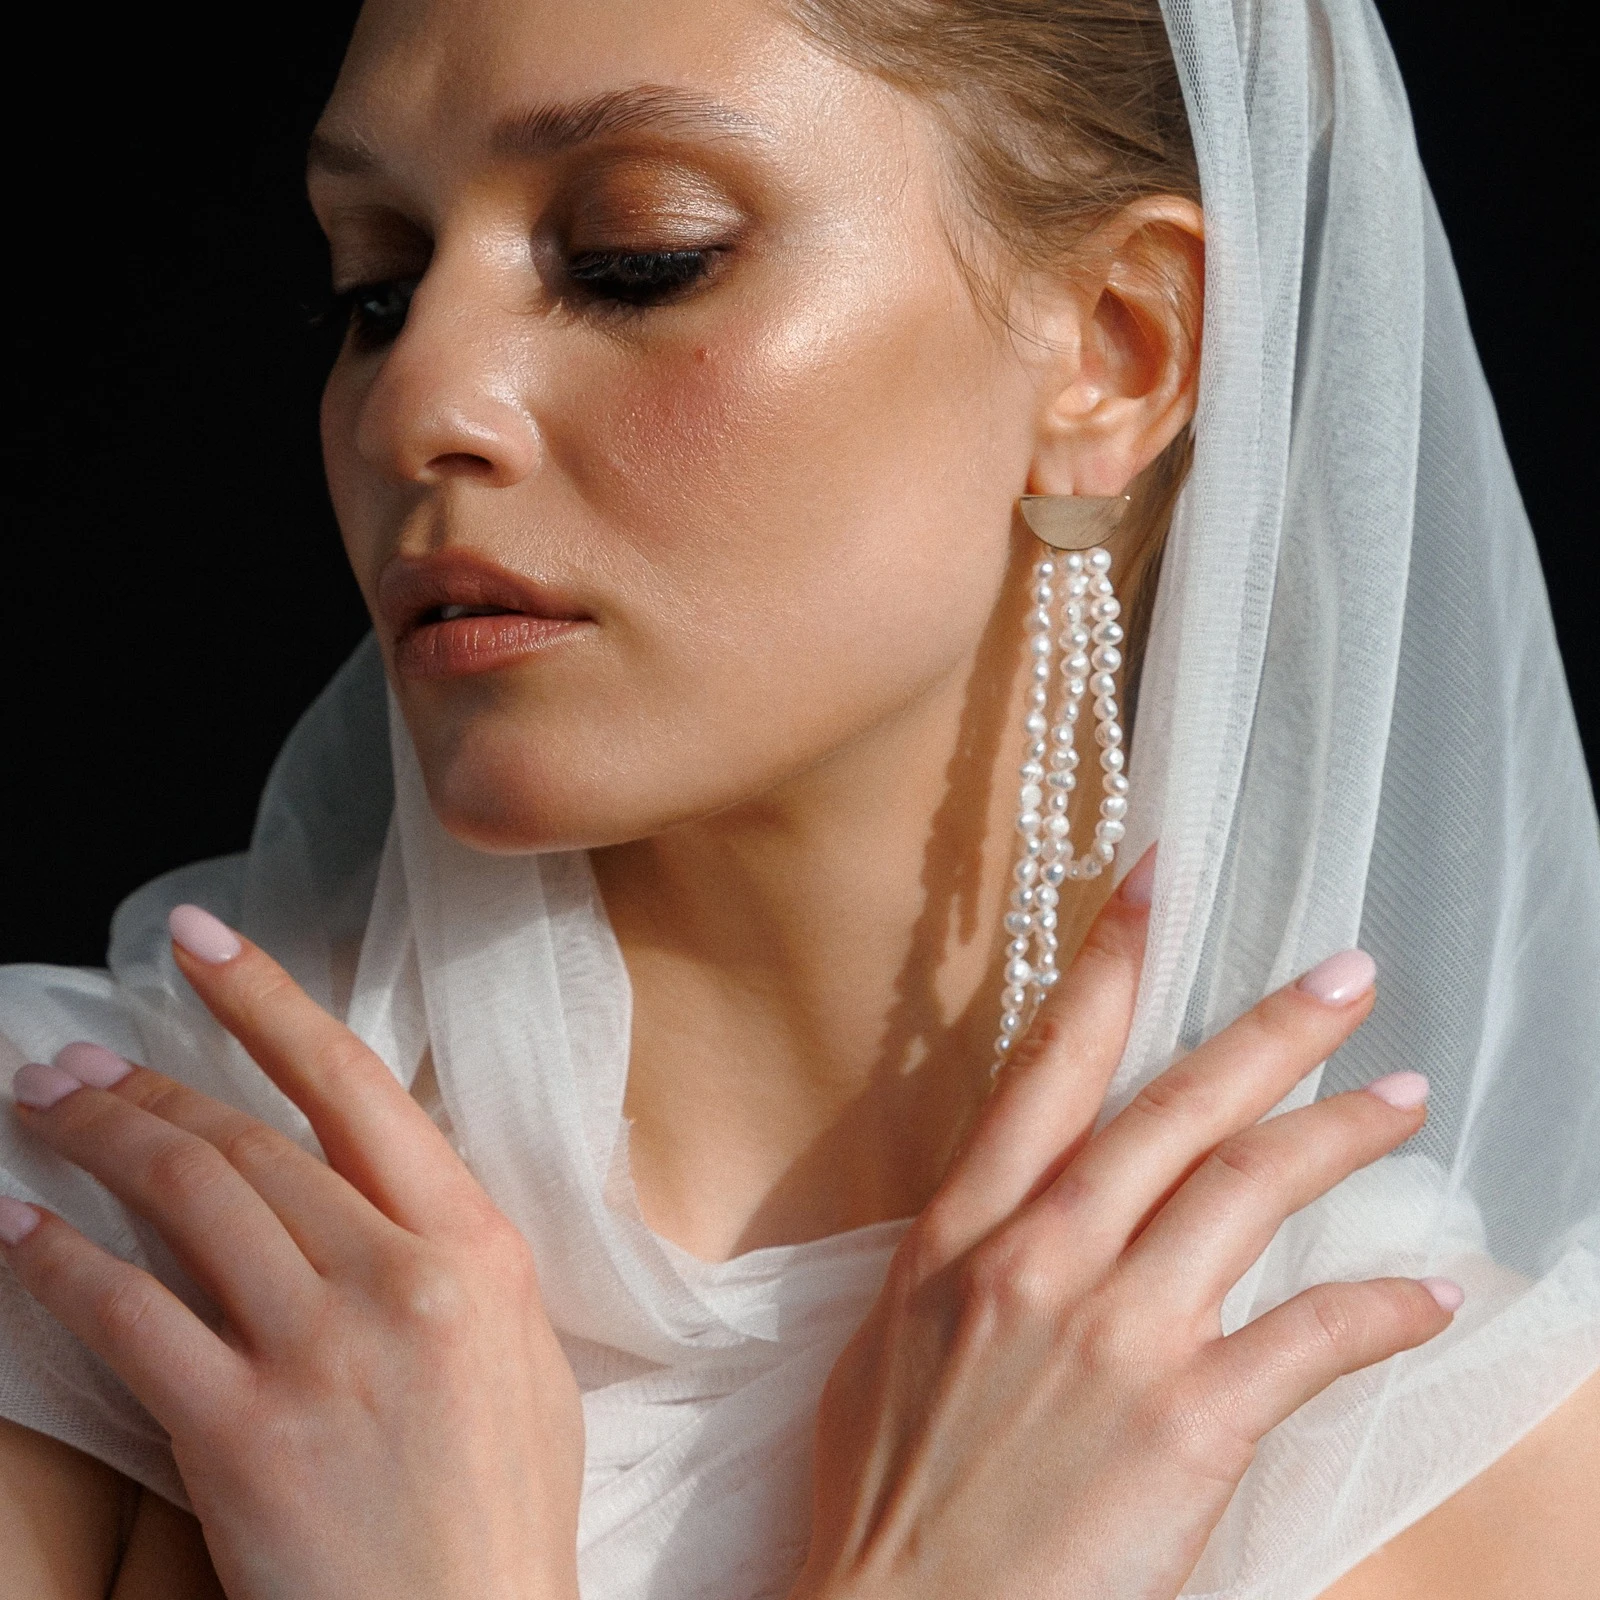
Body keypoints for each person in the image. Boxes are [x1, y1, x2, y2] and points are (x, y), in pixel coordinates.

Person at [2, 0, 1597, 1595]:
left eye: (637, 258)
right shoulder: (94, 1249)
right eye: (378, 286)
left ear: (1120, 347)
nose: (413, 403)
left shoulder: (1448, 1464)